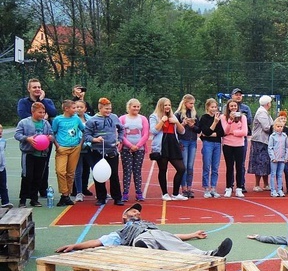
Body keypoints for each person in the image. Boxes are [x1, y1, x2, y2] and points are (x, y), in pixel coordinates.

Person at [55, 202, 233, 257]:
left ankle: (209, 254)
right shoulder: (118, 233)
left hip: (155, 237)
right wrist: (74, 245)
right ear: (124, 216)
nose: (137, 212)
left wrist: (192, 234)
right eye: (133, 211)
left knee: (166, 239)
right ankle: (207, 255)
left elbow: (172, 237)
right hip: (138, 239)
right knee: (150, 238)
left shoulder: (149, 224)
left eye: (138, 211)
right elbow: (97, 242)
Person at [18, 78, 57, 199]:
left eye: (39, 87)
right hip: (30, 141)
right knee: (29, 168)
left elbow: (53, 112)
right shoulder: (23, 102)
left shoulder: (47, 101)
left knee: (43, 164)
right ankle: (27, 192)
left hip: (44, 140)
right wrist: (39, 116)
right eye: (34, 87)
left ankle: (42, 189)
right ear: (29, 89)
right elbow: (22, 114)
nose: (37, 89)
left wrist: (41, 100)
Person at [85, 98, 124, 206]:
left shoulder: (114, 117)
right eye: (106, 109)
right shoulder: (92, 120)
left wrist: (119, 140)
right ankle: (101, 197)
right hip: (97, 151)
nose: (108, 111)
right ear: (100, 108)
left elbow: (121, 129)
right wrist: (95, 139)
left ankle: (117, 198)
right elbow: (86, 135)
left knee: (114, 175)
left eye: (110, 109)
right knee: (99, 174)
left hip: (112, 151)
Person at [15, 102, 54, 207]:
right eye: (39, 112)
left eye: (43, 112)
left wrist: (50, 137)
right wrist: (27, 138)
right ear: (33, 112)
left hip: (41, 154)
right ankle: (22, 200)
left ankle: (34, 199)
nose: (42, 114)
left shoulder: (45, 123)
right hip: (29, 154)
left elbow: (51, 134)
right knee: (27, 176)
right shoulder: (24, 122)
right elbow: (17, 134)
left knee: (38, 177)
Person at [149, 98, 187, 202]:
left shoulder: (173, 116)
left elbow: (182, 131)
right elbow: (153, 131)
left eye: (169, 105)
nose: (168, 107)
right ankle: (165, 193)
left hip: (173, 144)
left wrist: (177, 122)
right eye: (165, 105)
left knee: (181, 168)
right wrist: (162, 121)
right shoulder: (154, 116)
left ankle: (175, 193)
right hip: (162, 144)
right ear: (161, 106)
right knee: (163, 169)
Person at [51, 100, 86, 206]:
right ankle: (65, 193)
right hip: (62, 148)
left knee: (70, 173)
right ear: (66, 109)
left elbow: (84, 130)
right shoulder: (58, 119)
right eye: (74, 108)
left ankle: (65, 196)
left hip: (75, 148)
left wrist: (80, 144)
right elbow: (53, 133)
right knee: (60, 171)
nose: (76, 110)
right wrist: (57, 146)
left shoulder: (76, 119)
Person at [119, 98, 149, 202]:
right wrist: (130, 145)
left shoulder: (143, 119)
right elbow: (121, 134)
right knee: (127, 171)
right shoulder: (122, 118)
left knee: (137, 171)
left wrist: (138, 146)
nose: (136, 108)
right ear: (129, 107)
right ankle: (125, 193)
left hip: (139, 149)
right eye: (134, 106)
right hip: (126, 149)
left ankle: (139, 193)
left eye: (138, 106)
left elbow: (146, 134)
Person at [220, 100, 248, 197]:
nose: (233, 107)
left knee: (239, 166)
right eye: (231, 106)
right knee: (229, 166)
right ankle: (228, 187)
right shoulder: (223, 117)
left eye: (235, 106)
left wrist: (234, 133)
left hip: (239, 145)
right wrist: (230, 121)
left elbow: (245, 132)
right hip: (227, 144)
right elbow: (225, 131)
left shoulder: (243, 117)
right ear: (228, 107)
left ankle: (239, 188)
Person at [198, 98, 225, 198]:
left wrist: (212, 133)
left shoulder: (219, 118)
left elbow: (222, 133)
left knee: (215, 167)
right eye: (212, 107)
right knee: (206, 166)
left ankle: (213, 188)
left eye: (215, 107)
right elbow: (205, 132)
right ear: (208, 107)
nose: (214, 109)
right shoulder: (204, 118)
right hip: (207, 144)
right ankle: (206, 188)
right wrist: (214, 123)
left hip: (217, 144)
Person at [175, 94, 200, 198]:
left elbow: (199, 130)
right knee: (184, 166)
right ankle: (183, 188)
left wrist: (192, 125)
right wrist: (183, 124)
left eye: (193, 103)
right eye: (190, 103)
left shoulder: (194, 114)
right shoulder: (178, 114)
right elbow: (176, 130)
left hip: (193, 141)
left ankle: (190, 188)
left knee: (190, 166)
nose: (192, 105)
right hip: (183, 141)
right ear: (185, 103)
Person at [249, 95, 274, 192]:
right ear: (268, 103)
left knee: (265, 162)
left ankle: (266, 184)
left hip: (265, 140)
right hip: (260, 140)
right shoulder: (261, 113)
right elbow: (267, 127)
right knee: (259, 162)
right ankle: (256, 184)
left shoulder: (264, 112)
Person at [230, 88, 252, 182]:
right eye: (236, 94)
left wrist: (240, 117)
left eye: (240, 95)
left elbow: (250, 121)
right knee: (230, 162)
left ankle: (241, 184)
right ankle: (230, 184)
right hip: (230, 138)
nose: (238, 96)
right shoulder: (227, 107)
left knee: (241, 162)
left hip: (242, 138)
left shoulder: (246, 108)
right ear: (232, 96)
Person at [72, 100, 92, 201]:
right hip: (77, 147)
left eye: (81, 107)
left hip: (89, 147)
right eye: (77, 107)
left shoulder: (90, 119)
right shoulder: (72, 120)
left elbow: (92, 131)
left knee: (94, 169)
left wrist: (89, 143)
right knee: (78, 171)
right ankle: (78, 192)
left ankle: (102, 192)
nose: (79, 109)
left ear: (85, 109)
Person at [268, 117, 288, 198]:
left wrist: (286, 157)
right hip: (275, 159)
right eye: (278, 126)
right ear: (274, 127)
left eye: (281, 126)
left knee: (280, 174)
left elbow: (287, 147)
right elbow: (270, 147)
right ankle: (273, 190)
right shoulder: (272, 136)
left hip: (282, 158)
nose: (280, 128)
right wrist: (273, 157)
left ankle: (280, 189)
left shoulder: (285, 136)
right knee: (273, 174)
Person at [0, 124, 11, 207]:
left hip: (2, 167)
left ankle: (5, 202)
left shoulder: (3, 141)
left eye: (1, 130)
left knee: (3, 185)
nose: (0, 131)